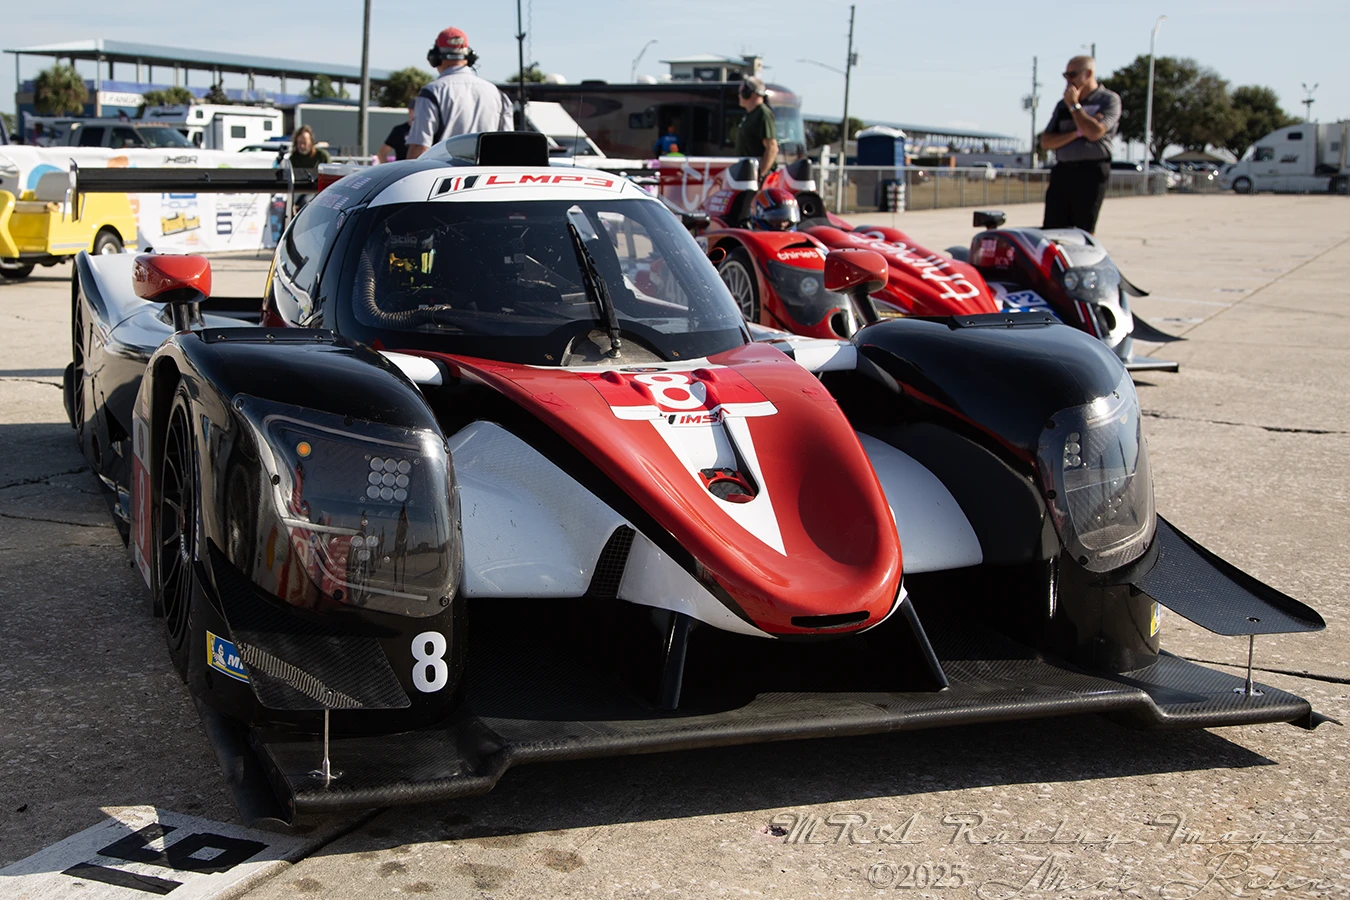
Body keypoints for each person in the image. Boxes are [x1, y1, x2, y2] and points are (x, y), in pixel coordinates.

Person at [1039, 55, 1121, 233]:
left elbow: (1094, 133)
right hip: (1063, 170)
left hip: (1091, 171)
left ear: (1088, 74)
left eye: (1073, 75)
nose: (1068, 80)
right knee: (1053, 228)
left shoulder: (1108, 100)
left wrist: (1075, 106)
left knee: (1083, 229)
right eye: (1065, 75)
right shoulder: (1062, 105)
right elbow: (1046, 141)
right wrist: (1077, 132)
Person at [407, 27, 514, 159]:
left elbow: (420, 147)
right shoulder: (498, 94)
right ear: (470, 57)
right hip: (486, 176)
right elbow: (509, 146)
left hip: (443, 174)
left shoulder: (432, 92)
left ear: (434, 57)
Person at [734, 76, 778, 178]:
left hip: (755, 174)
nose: (739, 95)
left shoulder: (763, 114)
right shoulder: (749, 115)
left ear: (748, 93)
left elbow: (772, 147)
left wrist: (761, 174)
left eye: (741, 92)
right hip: (747, 172)